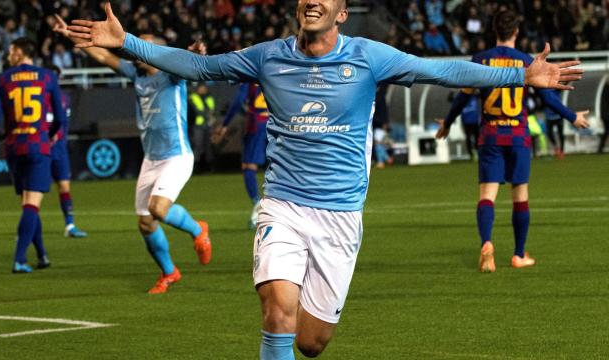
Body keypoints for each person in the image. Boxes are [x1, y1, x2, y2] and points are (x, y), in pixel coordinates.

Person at [68, 1, 583, 357]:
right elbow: (199, 68)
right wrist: (129, 42)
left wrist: (519, 74)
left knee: (311, 341)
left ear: (340, 13)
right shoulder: (268, 56)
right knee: (277, 311)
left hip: (340, 216)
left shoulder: (368, 57)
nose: (311, 3)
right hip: (283, 206)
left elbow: (441, 70)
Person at [54, 16, 211, 294]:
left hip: (177, 156)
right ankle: (169, 272)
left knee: (158, 209)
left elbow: (191, 60)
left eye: (144, 46)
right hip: (150, 159)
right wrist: (70, 35)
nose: (137, 50)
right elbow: (102, 54)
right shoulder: (135, 73)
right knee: (145, 223)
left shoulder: (171, 75)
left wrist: (195, 52)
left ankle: (198, 230)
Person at [436, 10, 590, 273]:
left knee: (487, 195)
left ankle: (487, 243)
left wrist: (448, 123)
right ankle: (519, 255)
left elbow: (463, 98)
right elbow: (548, 99)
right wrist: (571, 116)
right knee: (520, 196)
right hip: (517, 136)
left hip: (490, 136)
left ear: (495, 31)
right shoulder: (525, 62)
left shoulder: (481, 60)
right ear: (516, 33)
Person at [0, 37, 65, 273]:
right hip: (38, 145)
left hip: (14, 147)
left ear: (20, 52)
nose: (8, 55)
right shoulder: (48, 77)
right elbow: (60, 117)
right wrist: (48, 135)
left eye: (11, 51)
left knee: (28, 203)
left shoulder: (2, 79)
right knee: (32, 204)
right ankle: (20, 259)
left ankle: (41, 255)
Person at [213, 83, 269, 229]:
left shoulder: (250, 74)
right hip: (274, 121)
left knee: (249, 165)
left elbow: (239, 99)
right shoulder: (272, 69)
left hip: (256, 122)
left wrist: (225, 124)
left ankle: (259, 206)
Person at [46, 64, 88, 238]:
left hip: (60, 150)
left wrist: (58, 137)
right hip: (42, 149)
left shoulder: (65, 98)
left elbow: (64, 124)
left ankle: (70, 225)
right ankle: (30, 227)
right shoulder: (38, 96)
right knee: (34, 191)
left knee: (64, 187)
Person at [188, 82, 216, 172]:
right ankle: (195, 167)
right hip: (198, 125)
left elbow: (212, 109)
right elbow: (197, 111)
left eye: (204, 87)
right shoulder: (193, 97)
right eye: (201, 87)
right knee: (198, 146)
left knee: (209, 147)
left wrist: (209, 115)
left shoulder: (209, 98)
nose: (203, 89)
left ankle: (210, 166)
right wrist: (208, 114)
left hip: (208, 125)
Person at [545, 89, 567, 158]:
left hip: (558, 116)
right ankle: (556, 147)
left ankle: (562, 151)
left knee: (561, 134)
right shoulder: (544, 90)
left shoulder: (557, 89)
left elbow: (565, 84)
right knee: (549, 133)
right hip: (549, 116)